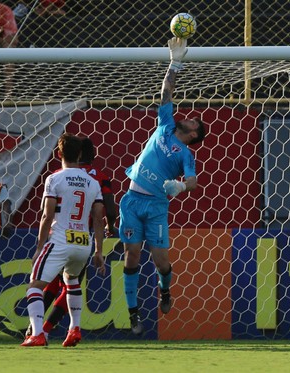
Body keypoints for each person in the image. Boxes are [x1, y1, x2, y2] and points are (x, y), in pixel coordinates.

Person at [119, 37, 206, 335]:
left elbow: (193, 181)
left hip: (156, 207)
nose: (190, 117)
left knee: (161, 262)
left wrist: (181, 188)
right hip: (132, 199)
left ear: (193, 136)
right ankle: (133, 313)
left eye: (195, 121)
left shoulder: (186, 154)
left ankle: (165, 290)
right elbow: (165, 93)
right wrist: (174, 63)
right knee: (131, 255)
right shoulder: (165, 125)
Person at [24, 136, 117, 340]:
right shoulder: (93, 182)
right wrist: (99, 250)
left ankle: (38, 333)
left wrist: (40, 247)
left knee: (35, 285)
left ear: (59, 154)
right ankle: (74, 329)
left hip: (60, 240)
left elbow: (47, 215)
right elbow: (100, 218)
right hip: (83, 242)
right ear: (81, 154)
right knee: (72, 282)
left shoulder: (55, 177)